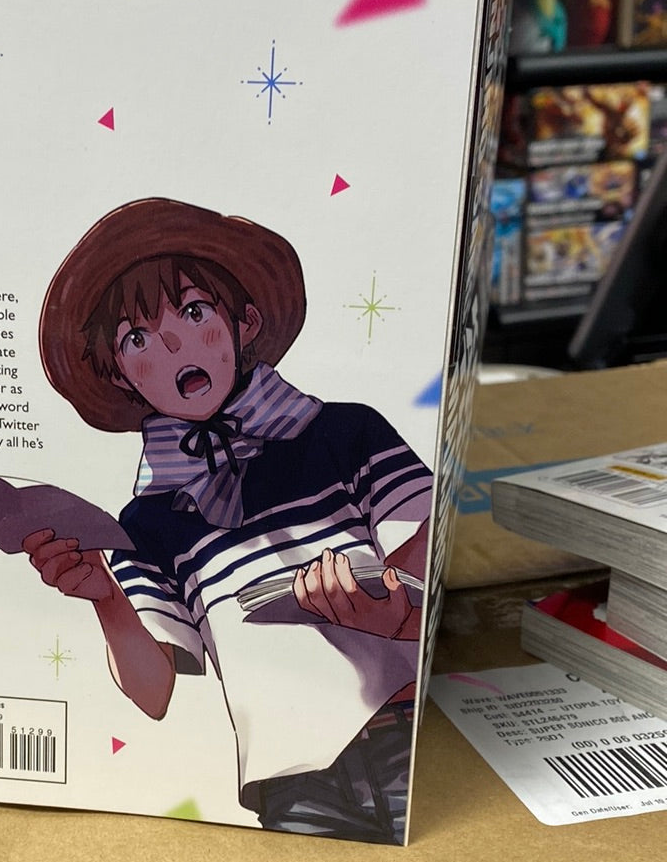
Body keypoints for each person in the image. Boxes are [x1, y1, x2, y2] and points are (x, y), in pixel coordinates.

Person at [26, 197, 433, 844]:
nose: (172, 345)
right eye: (136, 339)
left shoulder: (343, 431)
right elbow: (153, 691)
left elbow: (434, 536)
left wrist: (397, 607)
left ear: (244, 322)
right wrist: (104, 595)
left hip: (400, 725)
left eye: (193, 312)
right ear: (121, 375)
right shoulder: (144, 520)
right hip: (289, 773)